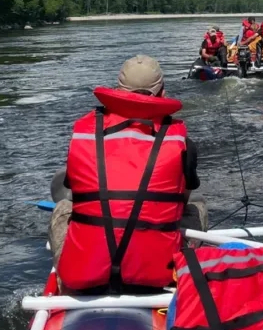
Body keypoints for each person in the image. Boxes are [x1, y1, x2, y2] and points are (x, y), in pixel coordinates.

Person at [49, 54, 207, 292]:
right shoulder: (182, 142)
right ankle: (185, 272)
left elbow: (75, 191)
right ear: (162, 92)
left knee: (63, 207)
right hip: (157, 275)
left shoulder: (83, 134)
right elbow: (180, 202)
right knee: (196, 206)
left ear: (117, 91)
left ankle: (69, 277)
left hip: (87, 273)